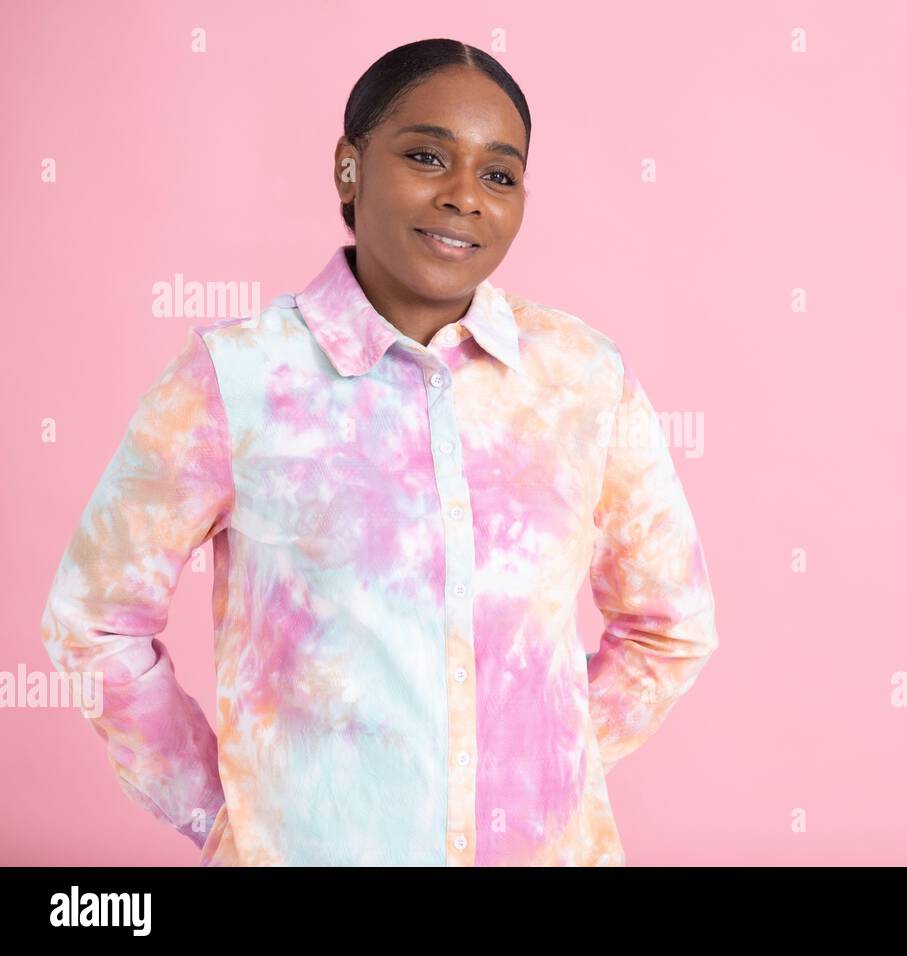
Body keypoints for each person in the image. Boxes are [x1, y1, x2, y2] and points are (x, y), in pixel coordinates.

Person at [38, 37, 718, 866]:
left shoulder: (582, 379)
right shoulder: (238, 378)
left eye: (499, 175)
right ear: (348, 169)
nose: (465, 196)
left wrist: (540, 772)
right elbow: (94, 622)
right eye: (428, 156)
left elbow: (667, 627)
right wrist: (229, 811)